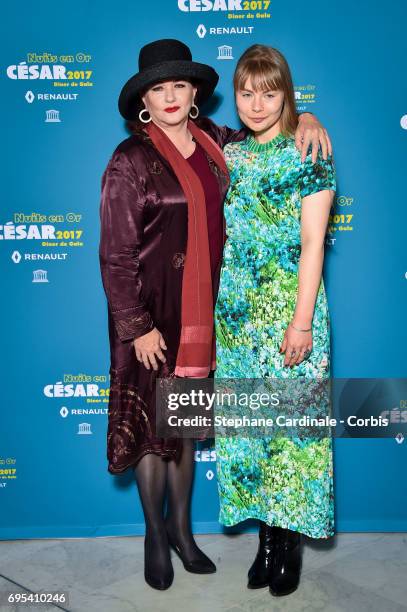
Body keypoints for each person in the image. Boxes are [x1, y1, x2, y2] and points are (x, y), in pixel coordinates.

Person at [99, 38, 331, 591]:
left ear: (196, 92)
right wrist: (136, 325)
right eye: (159, 88)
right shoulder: (130, 160)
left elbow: (271, 127)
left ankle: (183, 532)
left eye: (180, 84)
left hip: (206, 318)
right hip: (152, 321)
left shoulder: (215, 144)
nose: (171, 96)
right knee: (154, 432)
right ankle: (156, 537)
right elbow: (115, 252)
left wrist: (310, 117)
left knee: (185, 430)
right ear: (144, 101)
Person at [214, 44, 336, 597]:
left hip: (292, 309)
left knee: (293, 437)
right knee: (252, 432)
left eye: (270, 92)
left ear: (287, 93)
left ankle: (289, 549)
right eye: (246, 93)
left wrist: (302, 321)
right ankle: (266, 542)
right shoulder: (228, 154)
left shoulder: (309, 152)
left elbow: (314, 242)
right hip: (238, 316)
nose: (256, 105)